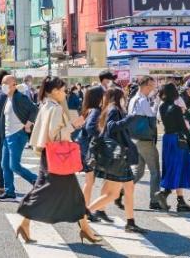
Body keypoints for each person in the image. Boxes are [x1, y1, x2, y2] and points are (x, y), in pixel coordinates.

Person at [16, 77, 100, 245]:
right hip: (57, 157)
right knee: (48, 191)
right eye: (62, 90)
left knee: (66, 193)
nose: (64, 93)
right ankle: (25, 221)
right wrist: (74, 125)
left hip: (50, 155)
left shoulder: (46, 105)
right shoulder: (55, 108)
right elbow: (56, 136)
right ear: (54, 91)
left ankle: (85, 228)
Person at [87, 87, 147, 233]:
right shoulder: (113, 109)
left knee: (128, 188)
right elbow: (112, 127)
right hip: (118, 157)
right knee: (113, 194)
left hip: (119, 156)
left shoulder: (111, 108)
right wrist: (130, 118)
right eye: (123, 96)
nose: (125, 98)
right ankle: (85, 212)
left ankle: (130, 222)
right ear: (118, 97)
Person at [154, 82, 190, 213]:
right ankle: (166, 194)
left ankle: (180, 200)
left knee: (171, 167)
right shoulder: (176, 108)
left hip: (167, 139)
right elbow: (183, 128)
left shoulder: (162, 107)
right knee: (180, 168)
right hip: (178, 140)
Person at [0, 74, 38, 202]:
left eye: (5, 83)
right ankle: (9, 191)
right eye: (2, 83)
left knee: (14, 166)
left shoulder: (20, 97)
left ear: (14, 84)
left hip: (17, 135)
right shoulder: (8, 98)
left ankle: (38, 181)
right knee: (5, 165)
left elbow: (34, 109)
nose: (3, 85)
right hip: (8, 135)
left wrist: (28, 124)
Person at [128, 75, 162, 210]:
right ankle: (154, 201)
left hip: (135, 138)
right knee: (155, 171)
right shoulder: (142, 100)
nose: (154, 89)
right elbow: (152, 117)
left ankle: (120, 191)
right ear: (146, 86)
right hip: (145, 140)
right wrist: (157, 102)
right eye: (152, 86)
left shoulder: (133, 99)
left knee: (139, 171)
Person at [78, 85, 107, 216]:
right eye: (104, 94)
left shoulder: (89, 110)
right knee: (89, 182)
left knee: (89, 182)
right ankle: (85, 211)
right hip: (89, 151)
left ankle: (89, 210)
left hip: (85, 149)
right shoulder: (95, 111)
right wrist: (101, 136)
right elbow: (90, 128)